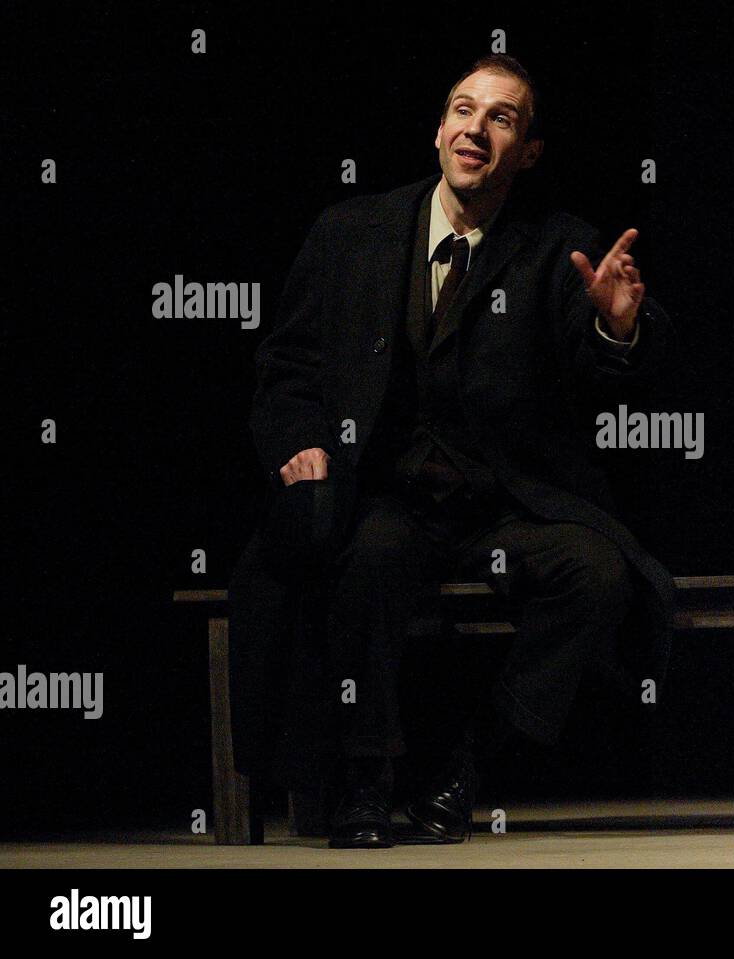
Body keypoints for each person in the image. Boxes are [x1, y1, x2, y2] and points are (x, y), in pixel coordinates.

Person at [230, 53, 677, 849]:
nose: (476, 129)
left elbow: (610, 361)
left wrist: (617, 325)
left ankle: (466, 765)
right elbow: (288, 366)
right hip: (388, 496)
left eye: (502, 118)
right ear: (439, 130)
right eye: (463, 110)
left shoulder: (558, 248)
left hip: (504, 505)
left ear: (528, 152)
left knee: (599, 571)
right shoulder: (351, 233)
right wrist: (301, 443)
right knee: (368, 557)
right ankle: (364, 779)